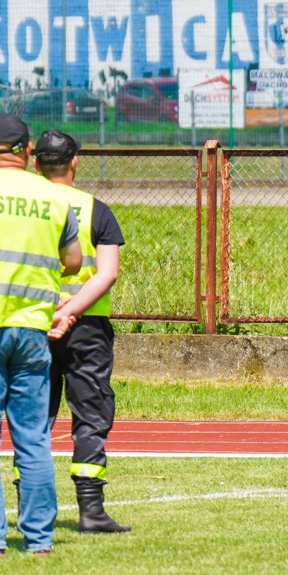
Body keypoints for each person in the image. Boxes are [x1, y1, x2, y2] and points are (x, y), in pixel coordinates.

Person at [22, 129, 130, 534]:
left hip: (33, 322)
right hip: (87, 330)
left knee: (33, 416)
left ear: (36, 163)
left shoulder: (25, 207)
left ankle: (31, 506)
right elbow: (108, 272)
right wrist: (72, 312)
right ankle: (91, 510)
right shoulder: (94, 209)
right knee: (91, 414)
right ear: (74, 162)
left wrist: (53, 312)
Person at [0, 113, 82, 555]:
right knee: (32, 438)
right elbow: (72, 261)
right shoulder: (51, 198)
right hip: (33, 330)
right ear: (27, 152)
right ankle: (40, 541)